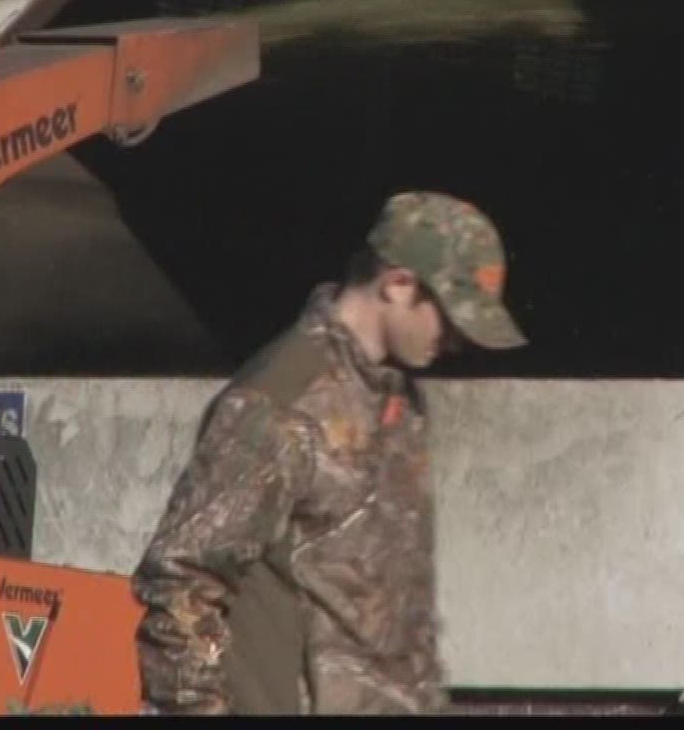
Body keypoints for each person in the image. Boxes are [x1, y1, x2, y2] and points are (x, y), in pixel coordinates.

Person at [130, 191, 528, 715]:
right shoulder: (280, 404)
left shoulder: (398, 405)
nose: (456, 340)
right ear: (398, 283)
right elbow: (182, 582)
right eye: (450, 318)